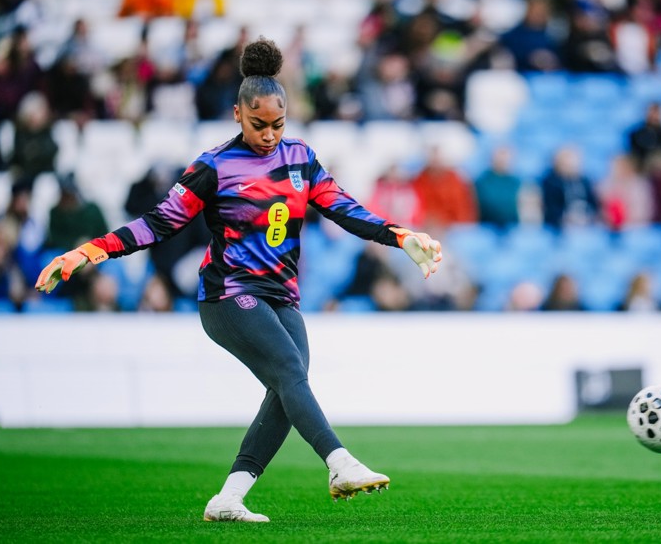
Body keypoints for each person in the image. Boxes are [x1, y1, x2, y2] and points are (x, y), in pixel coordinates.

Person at [34, 38, 443, 522]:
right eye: (258, 125)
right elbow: (158, 223)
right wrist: (90, 250)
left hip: (281, 295)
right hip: (228, 296)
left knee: (286, 387)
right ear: (236, 114)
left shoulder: (300, 158)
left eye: (278, 124)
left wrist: (400, 237)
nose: (269, 135)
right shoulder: (213, 167)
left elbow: (344, 208)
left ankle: (228, 499)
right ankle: (339, 464)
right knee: (290, 374)